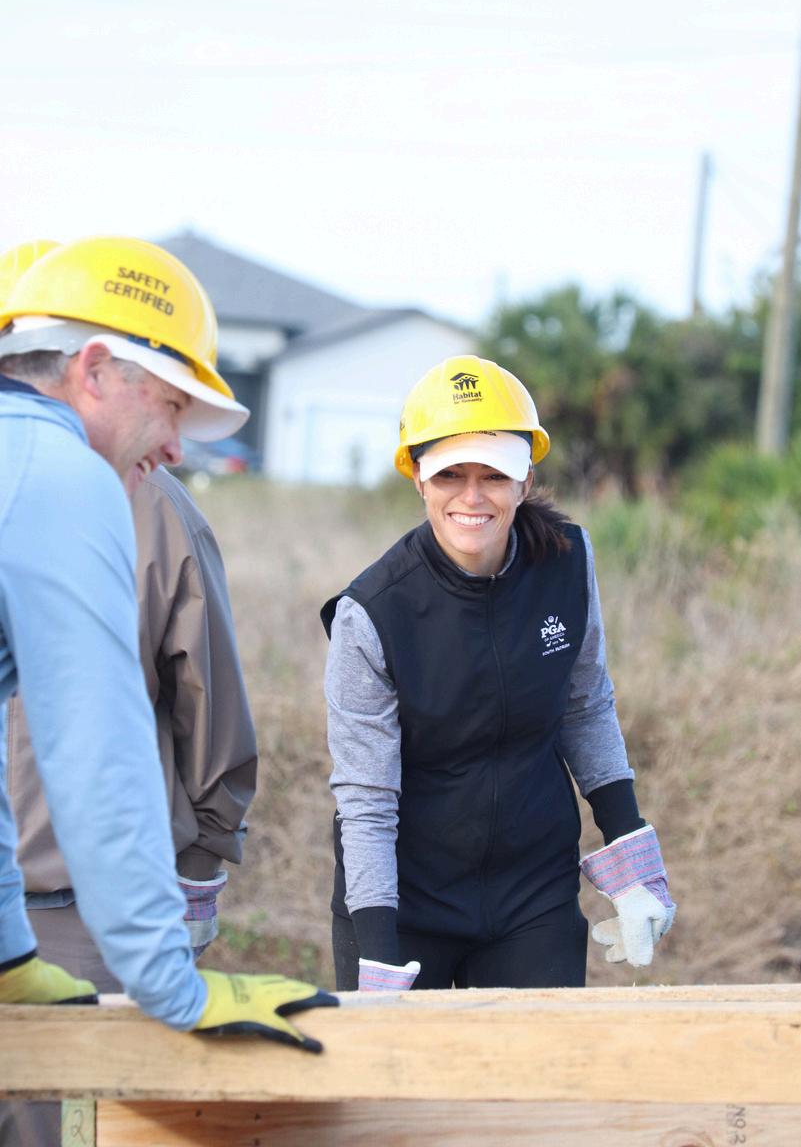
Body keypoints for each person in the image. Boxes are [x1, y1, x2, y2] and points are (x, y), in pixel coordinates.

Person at [0, 237, 336, 1050]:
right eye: (172, 405)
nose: (179, 448)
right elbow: (96, 748)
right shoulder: (60, 474)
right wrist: (168, 983)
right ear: (94, 369)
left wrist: (7, 953)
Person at [321, 354, 675, 992]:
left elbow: (585, 704)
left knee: (536, 1060)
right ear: (418, 479)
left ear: (525, 479)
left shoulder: (566, 563)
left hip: (533, 894)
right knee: (399, 1064)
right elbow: (366, 801)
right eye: (450, 474)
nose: (472, 496)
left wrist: (632, 859)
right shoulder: (372, 613)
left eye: (494, 474)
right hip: (407, 902)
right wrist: (377, 956)